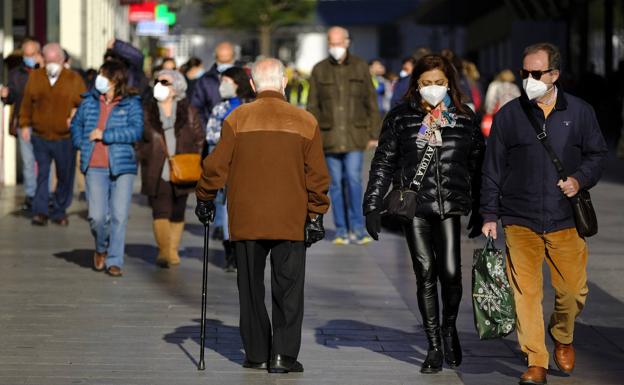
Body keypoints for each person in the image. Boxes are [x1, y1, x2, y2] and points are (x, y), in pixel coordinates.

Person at [480, 43, 608, 385]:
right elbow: (491, 168)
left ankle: (563, 335)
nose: (529, 79)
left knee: (572, 292)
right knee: (526, 294)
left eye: (536, 74)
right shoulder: (510, 115)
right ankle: (536, 359)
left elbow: (597, 155)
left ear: (554, 75)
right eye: (525, 73)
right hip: (519, 219)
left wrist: (579, 180)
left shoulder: (580, 112)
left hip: (565, 219)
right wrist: (489, 214)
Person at [195, 58, 330, 373]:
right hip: (291, 217)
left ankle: (256, 353)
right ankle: (283, 355)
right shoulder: (305, 120)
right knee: (289, 288)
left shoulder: (238, 118)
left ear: (253, 85)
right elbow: (317, 175)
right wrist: (317, 212)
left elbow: (217, 165)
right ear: (284, 82)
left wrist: (205, 196)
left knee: (251, 287)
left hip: (247, 217)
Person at [363, 54, 484, 374]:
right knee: (425, 272)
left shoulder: (463, 117)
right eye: (427, 83)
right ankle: (433, 345)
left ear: (450, 84)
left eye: (440, 83)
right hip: (414, 205)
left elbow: (478, 163)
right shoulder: (401, 117)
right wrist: (372, 204)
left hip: (449, 205)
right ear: (416, 85)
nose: (433, 89)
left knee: (452, 273)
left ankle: (448, 327)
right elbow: (383, 163)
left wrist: (483, 207)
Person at [70, 60, 143, 277]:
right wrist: (81, 143)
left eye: (103, 75)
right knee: (97, 216)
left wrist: (105, 135)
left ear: (115, 80)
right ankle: (101, 247)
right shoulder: (89, 101)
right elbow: (76, 125)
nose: (98, 79)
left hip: (123, 166)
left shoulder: (131, 103)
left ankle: (114, 260)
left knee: (119, 216)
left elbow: (136, 131)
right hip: (94, 165)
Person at [307, 26, 379, 245]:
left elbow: (371, 102)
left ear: (347, 42)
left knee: (354, 180)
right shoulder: (319, 69)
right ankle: (341, 229)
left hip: (355, 135)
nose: (335, 47)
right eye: (331, 43)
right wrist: (313, 135)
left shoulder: (359, 67)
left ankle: (358, 227)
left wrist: (374, 133)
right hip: (329, 137)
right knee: (336, 184)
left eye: (339, 43)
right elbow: (313, 105)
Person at [138, 69, 203, 268]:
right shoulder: (147, 109)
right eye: (157, 81)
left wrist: (195, 157)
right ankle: (164, 252)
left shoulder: (189, 110)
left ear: (175, 88)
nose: (159, 85)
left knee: (177, 211)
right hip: (156, 168)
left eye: (165, 82)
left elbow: (199, 138)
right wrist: (143, 155)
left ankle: (173, 250)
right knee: (160, 211)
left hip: (183, 167)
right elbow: (140, 138)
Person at [20, 42, 86, 226]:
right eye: (48, 59)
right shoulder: (36, 77)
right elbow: (26, 103)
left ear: (62, 59)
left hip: (65, 137)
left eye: (55, 59)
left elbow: (85, 104)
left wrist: (75, 116)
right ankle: (40, 211)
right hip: (40, 135)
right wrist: (25, 125)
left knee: (65, 175)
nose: (51, 63)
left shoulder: (73, 79)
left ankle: (59, 210)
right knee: (42, 174)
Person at [205, 66, 255, 271]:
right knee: (226, 209)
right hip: (227, 166)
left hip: (249, 166)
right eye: (221, 81)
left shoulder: (251, 106)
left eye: (227, 81)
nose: (222, 86)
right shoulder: (219, 108)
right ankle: (231, 251)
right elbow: (210, 135)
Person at [1, 37, 41, 211]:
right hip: (24, 123)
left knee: (45, 161)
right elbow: (11, 98)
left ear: (38, 54)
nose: (29, 57)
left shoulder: (47, 72)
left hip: (44, 124)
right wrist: (5, 95)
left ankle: (44, 195)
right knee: (28, 161)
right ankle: (31, 196)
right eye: (26, 54)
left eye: (32, 54)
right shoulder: (16, 73)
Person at [191, 42, 237, 128]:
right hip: (212, 134)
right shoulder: (205, 80)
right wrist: (207, 131)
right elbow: (196, 109)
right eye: (221, 61)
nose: (225, 65)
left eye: (227, 61)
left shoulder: (243, 78)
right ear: (216, 58)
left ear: (233, 58)